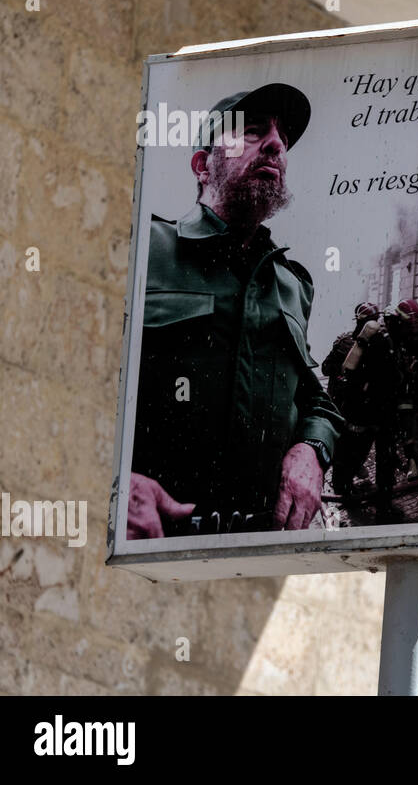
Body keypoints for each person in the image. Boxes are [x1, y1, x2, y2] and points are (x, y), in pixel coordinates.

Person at [126, 83, 343, 538]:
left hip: (257, 549)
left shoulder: (292, 283)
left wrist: (311, 447)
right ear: (203, 166)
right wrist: (114, 482)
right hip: (152, 542)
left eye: (281, 138)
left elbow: (314, 399)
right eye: (252, 131)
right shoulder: (142, 249)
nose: (276, 144)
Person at [321, 302, 405, 502]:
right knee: (357, 446)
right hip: (360, 405)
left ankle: (344, 481)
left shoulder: (356, 341)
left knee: (351, 445)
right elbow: (327, 368)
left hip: (354, 405)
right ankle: (350, 485)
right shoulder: (374, 343)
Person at [384, 298, 418, 480]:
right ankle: (392, 460)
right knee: (389, 430)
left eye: (415, 321)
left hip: (407, 388)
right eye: (409, 322)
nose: (413, 326)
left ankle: (412, 460)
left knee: (407, 423)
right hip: (389, 390)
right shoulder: (390, 337)